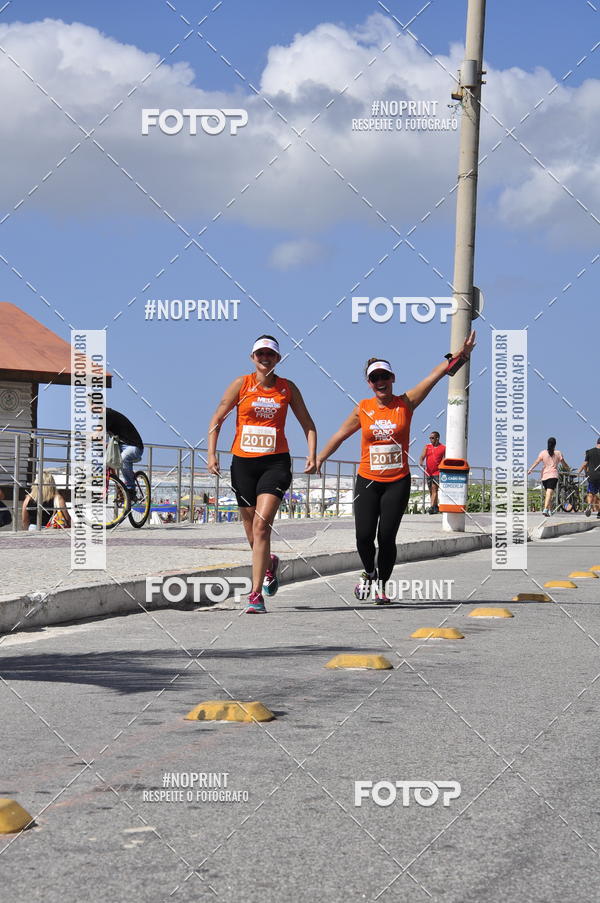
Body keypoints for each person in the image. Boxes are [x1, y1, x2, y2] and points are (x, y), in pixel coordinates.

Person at [316, 332, 476, 604]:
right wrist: (318, 458)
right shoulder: (363, 409)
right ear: (369, 383)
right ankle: (369, 571)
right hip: (367, 480)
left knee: (386, 537)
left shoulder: (405, 403)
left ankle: (381, 586)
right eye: (375, 378)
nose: (380, 382)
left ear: (393, 378)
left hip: (397, 481)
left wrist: (462, 354)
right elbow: (340, 434)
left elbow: (434, 376)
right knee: (364, 536)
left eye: (384, 377)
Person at [207, 335, 317, 613]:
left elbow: (308, 424)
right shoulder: (241, 385)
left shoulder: (286, 388)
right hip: (242, 463)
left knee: (261, 525)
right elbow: (217, 418)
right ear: (252, 358)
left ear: (278, 359)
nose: (265, 358)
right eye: (260, 354)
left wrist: (312, 454)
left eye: (270, 354)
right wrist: (211, 453)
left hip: (275, 464)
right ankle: (269, 564)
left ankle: (255, 595)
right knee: (249, 529)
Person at [106, 407, 144, 498]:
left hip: (134, 446)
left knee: (123, 459)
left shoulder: (108, 414)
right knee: (106, 463)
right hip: (120, 446)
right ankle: (122, 493)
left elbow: (98, 432)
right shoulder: (104, 416)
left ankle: (131, 488)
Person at [527, 438, 569, 517]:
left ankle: (549, 511)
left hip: (544, 476)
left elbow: (537, 462)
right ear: (555, 444)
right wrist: (568, 468)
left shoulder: (543, 453)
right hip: (553, 475)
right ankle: (545, 509)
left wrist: (530, 469)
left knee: (548, 493)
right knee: (549, 493)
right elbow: (564, 463)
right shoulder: (558, 453)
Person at [419, 430, 446, 514]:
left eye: (432, 438)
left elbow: (445, 459)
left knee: (434, 489)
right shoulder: (427, 447)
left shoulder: (443, 447)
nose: (430, 439)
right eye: (430, 438)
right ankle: (435, 507)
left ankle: (431, 507)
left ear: (437, 438)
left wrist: (443, 468)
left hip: (437, 472)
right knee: (431, 490)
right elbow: (422, 456)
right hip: (428, 472)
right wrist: (421, 461)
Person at [577, 436, 600, 518]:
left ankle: (589, 505)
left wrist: (579, 473)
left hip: (592, 475)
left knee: (590, 492)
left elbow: (584, 464)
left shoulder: (589, 452)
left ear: (597, 442)